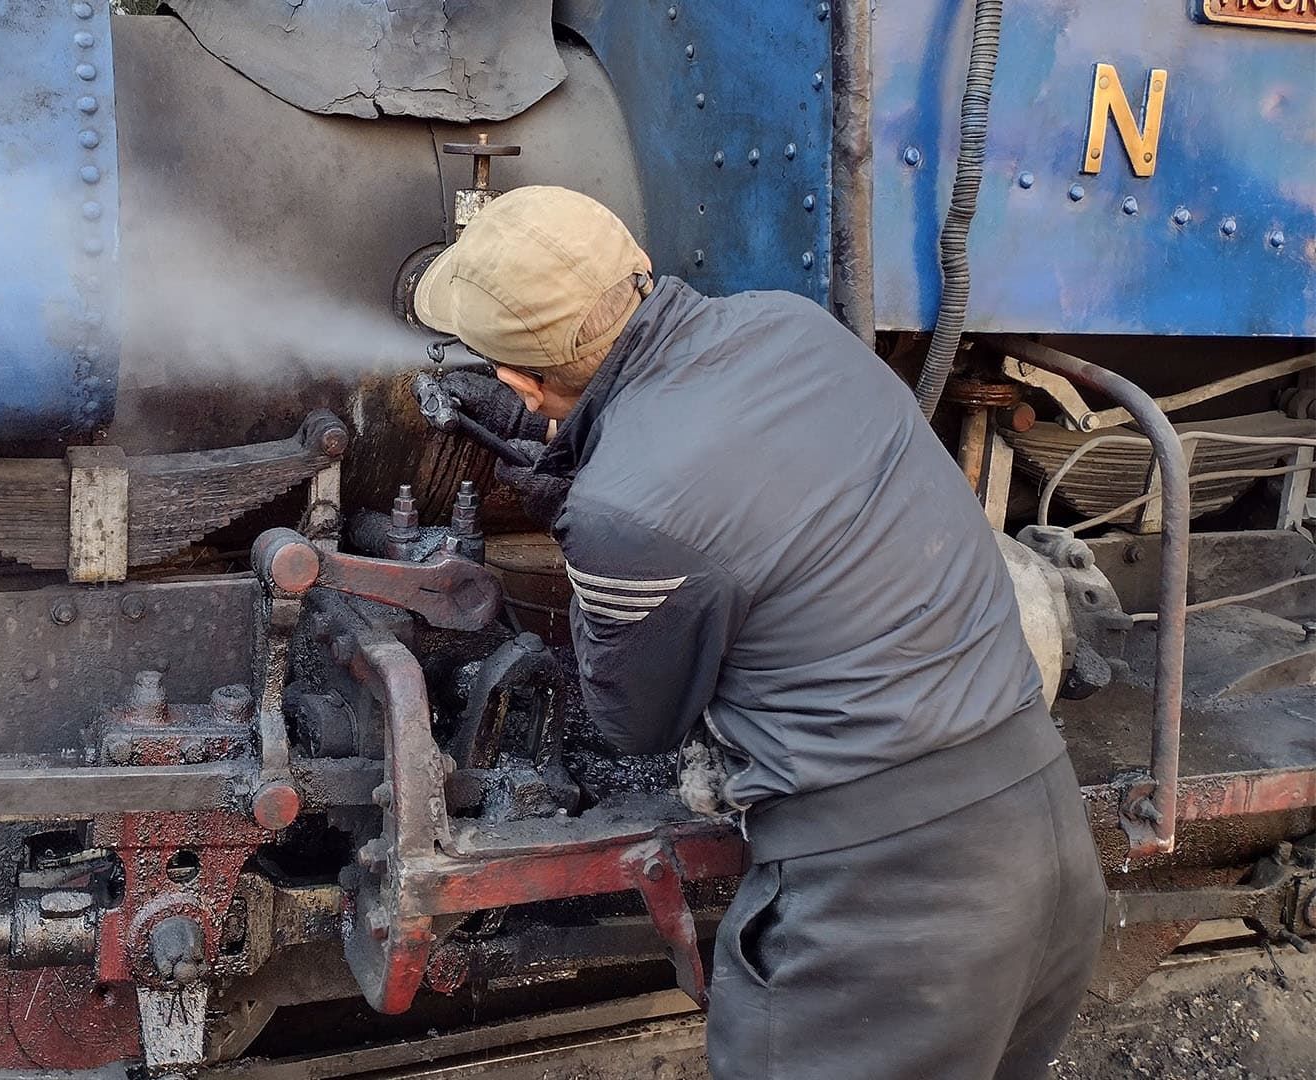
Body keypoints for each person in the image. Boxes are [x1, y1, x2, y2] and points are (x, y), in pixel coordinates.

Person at [412, 185, 1106, 1080]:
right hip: (1043, 831)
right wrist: (593, 445)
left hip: (893, 914)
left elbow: (635, 725)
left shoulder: (626, 505)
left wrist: (582, 503)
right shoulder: (793, 326)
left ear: (516, 380)